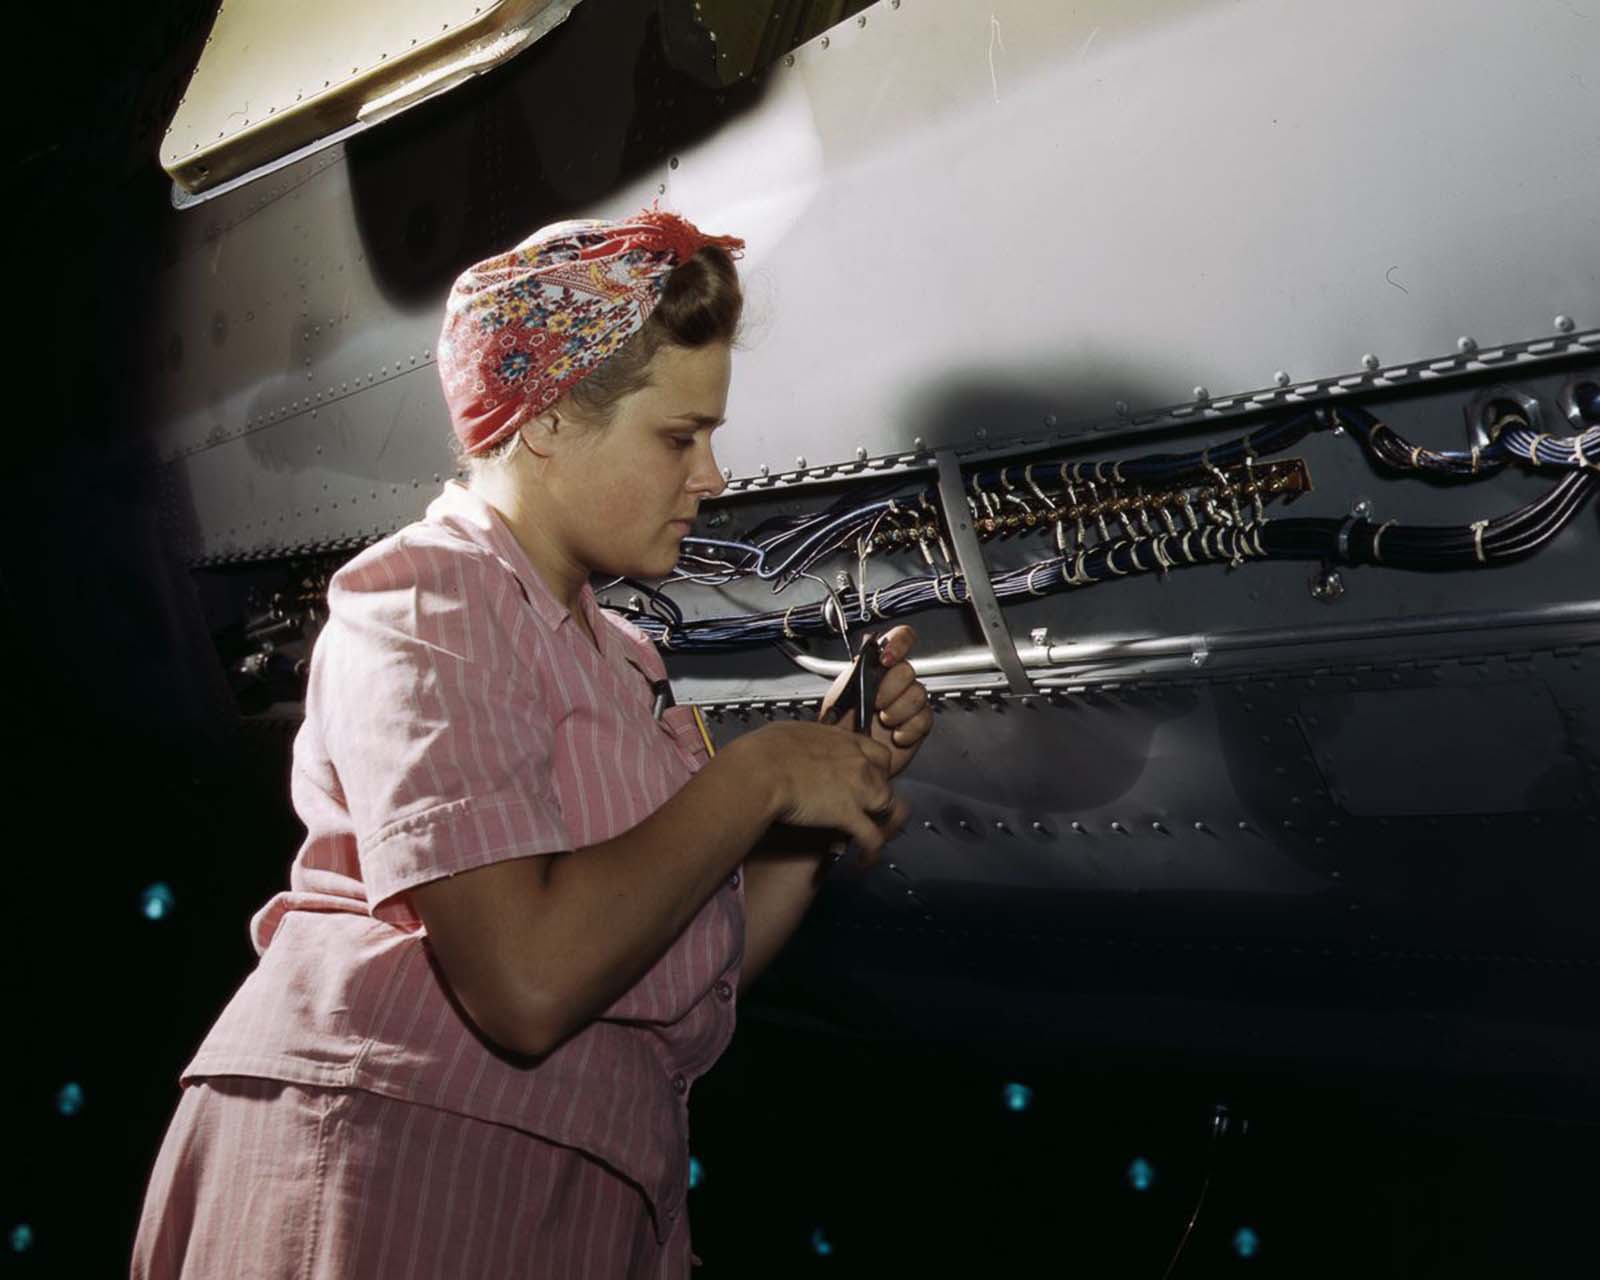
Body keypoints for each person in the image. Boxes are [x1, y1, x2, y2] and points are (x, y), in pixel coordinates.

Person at [131, 206, 934, 1278]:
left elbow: (684, 960)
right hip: (387, 1174)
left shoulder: (618, 664)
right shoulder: (425, 597)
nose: (712, 477)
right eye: (678, 435)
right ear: (549, 419)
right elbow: (526, 978)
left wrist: (812, 806)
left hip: (569, 1196)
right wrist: (755, 775)